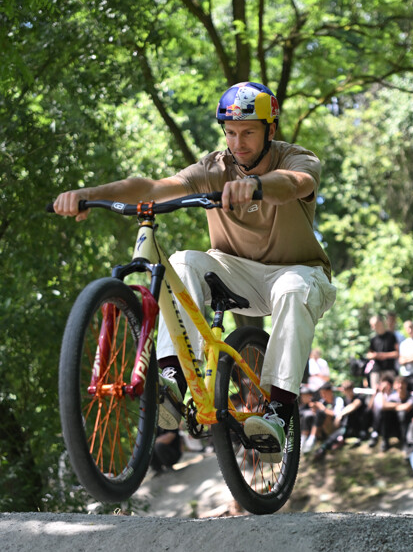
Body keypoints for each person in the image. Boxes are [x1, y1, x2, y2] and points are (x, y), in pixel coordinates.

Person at [53, 81, 336, 460]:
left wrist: (256, 185)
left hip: (298, 272)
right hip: (235, 272)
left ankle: (279, 411)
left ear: (271, 130)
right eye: (231, 132)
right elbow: (152, 186)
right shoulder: (215, 167)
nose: (238, 143)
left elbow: (295, 184)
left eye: (248, 133)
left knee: (293, 287)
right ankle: (174, 376)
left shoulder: (295, 158)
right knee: (182, 261)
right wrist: (89, 194)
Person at [312, 380, 367, 461]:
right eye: (346, 390)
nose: (347, 392)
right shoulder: (345, 400)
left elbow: (354, 405)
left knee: (339, 434)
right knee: (336, 435)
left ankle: (323, 448)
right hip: (348, 427)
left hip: (359, 427)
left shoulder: (359, 397)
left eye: (349, 390)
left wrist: (340, 415)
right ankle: (322, 449)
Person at [380, 375, 413, 452]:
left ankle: (405, 442)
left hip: (407, 423)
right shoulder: (392, 396)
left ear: (406, 385)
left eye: (402, 383)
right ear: (394, 385)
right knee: (385, 413)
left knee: (402, 414)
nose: (400, 386)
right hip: (395, 423)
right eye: (398, 383)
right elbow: (384, 406)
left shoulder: (411, 396)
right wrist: (383, 393)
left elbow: (407, 407)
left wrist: (393, 407)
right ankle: (385, 441)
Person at [366, 315, 399, 390]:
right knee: (375, 391)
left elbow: (397, 353)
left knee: (390, 391)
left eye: (374, 325)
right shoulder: (373, 339)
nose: (372, 328)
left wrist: (383, 355)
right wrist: (374, 355)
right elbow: (369, 354)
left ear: (380, 323)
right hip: (376, 370)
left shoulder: (391, 336)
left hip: (389, 370)